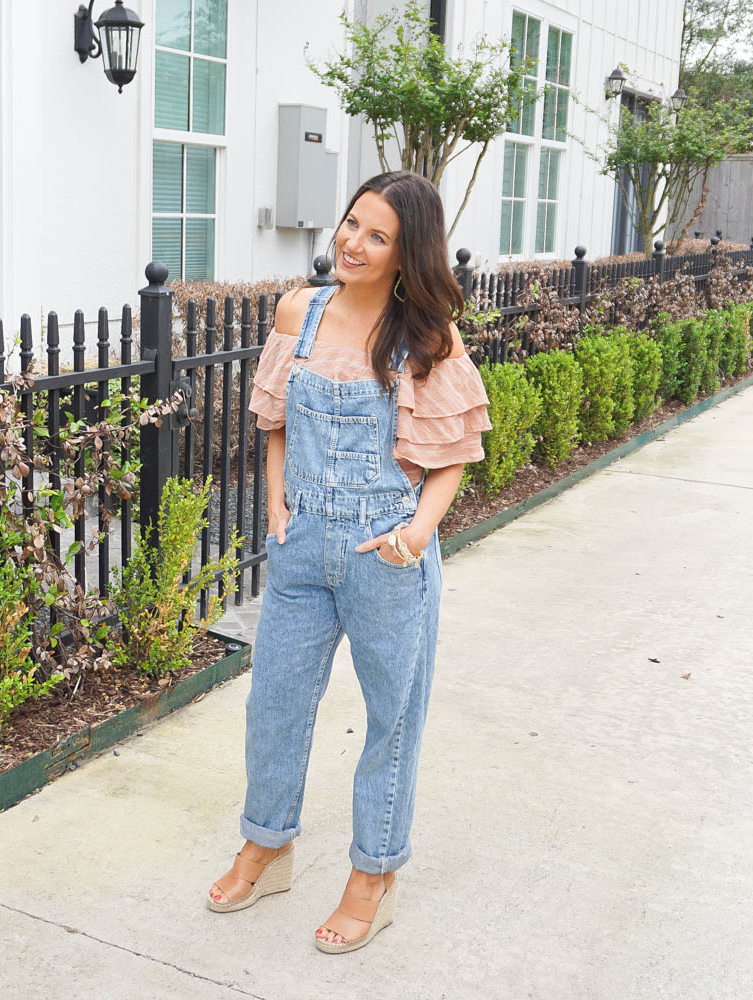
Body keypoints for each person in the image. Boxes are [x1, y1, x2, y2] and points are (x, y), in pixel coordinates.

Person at [207, 171, 491, 954]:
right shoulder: (298, 312)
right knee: (274, 703)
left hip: (385, 553)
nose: (351, 244)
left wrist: (411, 538)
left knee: (390, 722)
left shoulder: (427, 336)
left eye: (377, 236)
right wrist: (276, 503)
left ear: (408, 255)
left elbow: (454, 455)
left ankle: (374, 876)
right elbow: (273, 421)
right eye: (350, 223)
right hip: (301, 546)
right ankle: (266, 846)